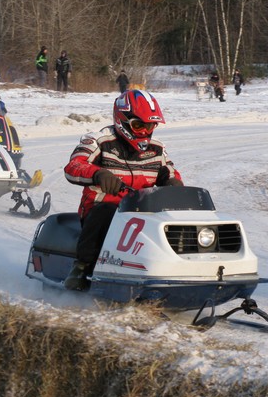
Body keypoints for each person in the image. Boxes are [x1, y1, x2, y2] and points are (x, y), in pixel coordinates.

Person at [63, 89, 183, 290]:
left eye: (150, 125)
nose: (145, 131)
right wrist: (98, 174)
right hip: (103, 208)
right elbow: (74, 166)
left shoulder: (157, 148)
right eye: (138, 125)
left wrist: (172, 182)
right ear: (122, 120)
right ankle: (82, 267)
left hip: (142, 211)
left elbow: (170, 170)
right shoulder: (98, 141)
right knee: (106, 212)